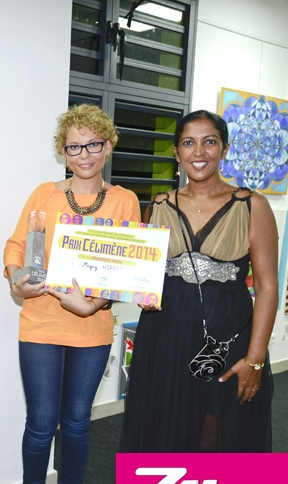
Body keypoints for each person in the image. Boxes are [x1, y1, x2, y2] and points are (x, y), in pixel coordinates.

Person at [4, 104, 141, 484]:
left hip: (92, 330)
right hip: (41, 324)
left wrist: (92, 305)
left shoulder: (124, 201)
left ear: (109, 146)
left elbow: (127, 269)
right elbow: (15, 246)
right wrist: (16, 280)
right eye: (74, 147)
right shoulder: (44, 194)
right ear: (63, 151)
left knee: (77, 426)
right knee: (41, 425)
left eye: (93, 144)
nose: (84, 154)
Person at [119, 109, 278, 453]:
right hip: (164, 335)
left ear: (225, 148)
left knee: (215, 435)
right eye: (189, 143)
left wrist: (255, 360)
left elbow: (267, 288)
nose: (199, 151)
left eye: (210, 142)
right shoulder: (158, 206)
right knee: (164, 427)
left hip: (226, 337)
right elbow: (145, 276)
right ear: (177, 153)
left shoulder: (252, 206)